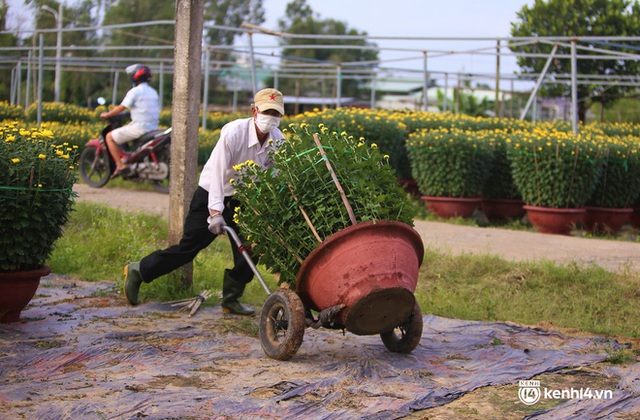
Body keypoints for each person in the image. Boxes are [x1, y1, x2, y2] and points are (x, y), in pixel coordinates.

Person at [123, 88, 286, 315]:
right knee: (188, 248)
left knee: (249, 251)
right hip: (211, 193)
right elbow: (219, 174)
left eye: (276, 114)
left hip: (245, 199)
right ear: (254, 111)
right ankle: (139, 270)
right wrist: (216, 212)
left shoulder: (278, 141)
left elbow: (274, 178)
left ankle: (231, 299)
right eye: (267, 112)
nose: (272, 118)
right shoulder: (234, 133)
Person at [100, 64, 160, 178]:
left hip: (140, 128)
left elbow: (121, 107)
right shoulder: (153, 92)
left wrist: (107, 114)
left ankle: (120, 165)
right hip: (153, 128)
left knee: (109, 137)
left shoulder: (135, 91)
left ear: (135, 76)